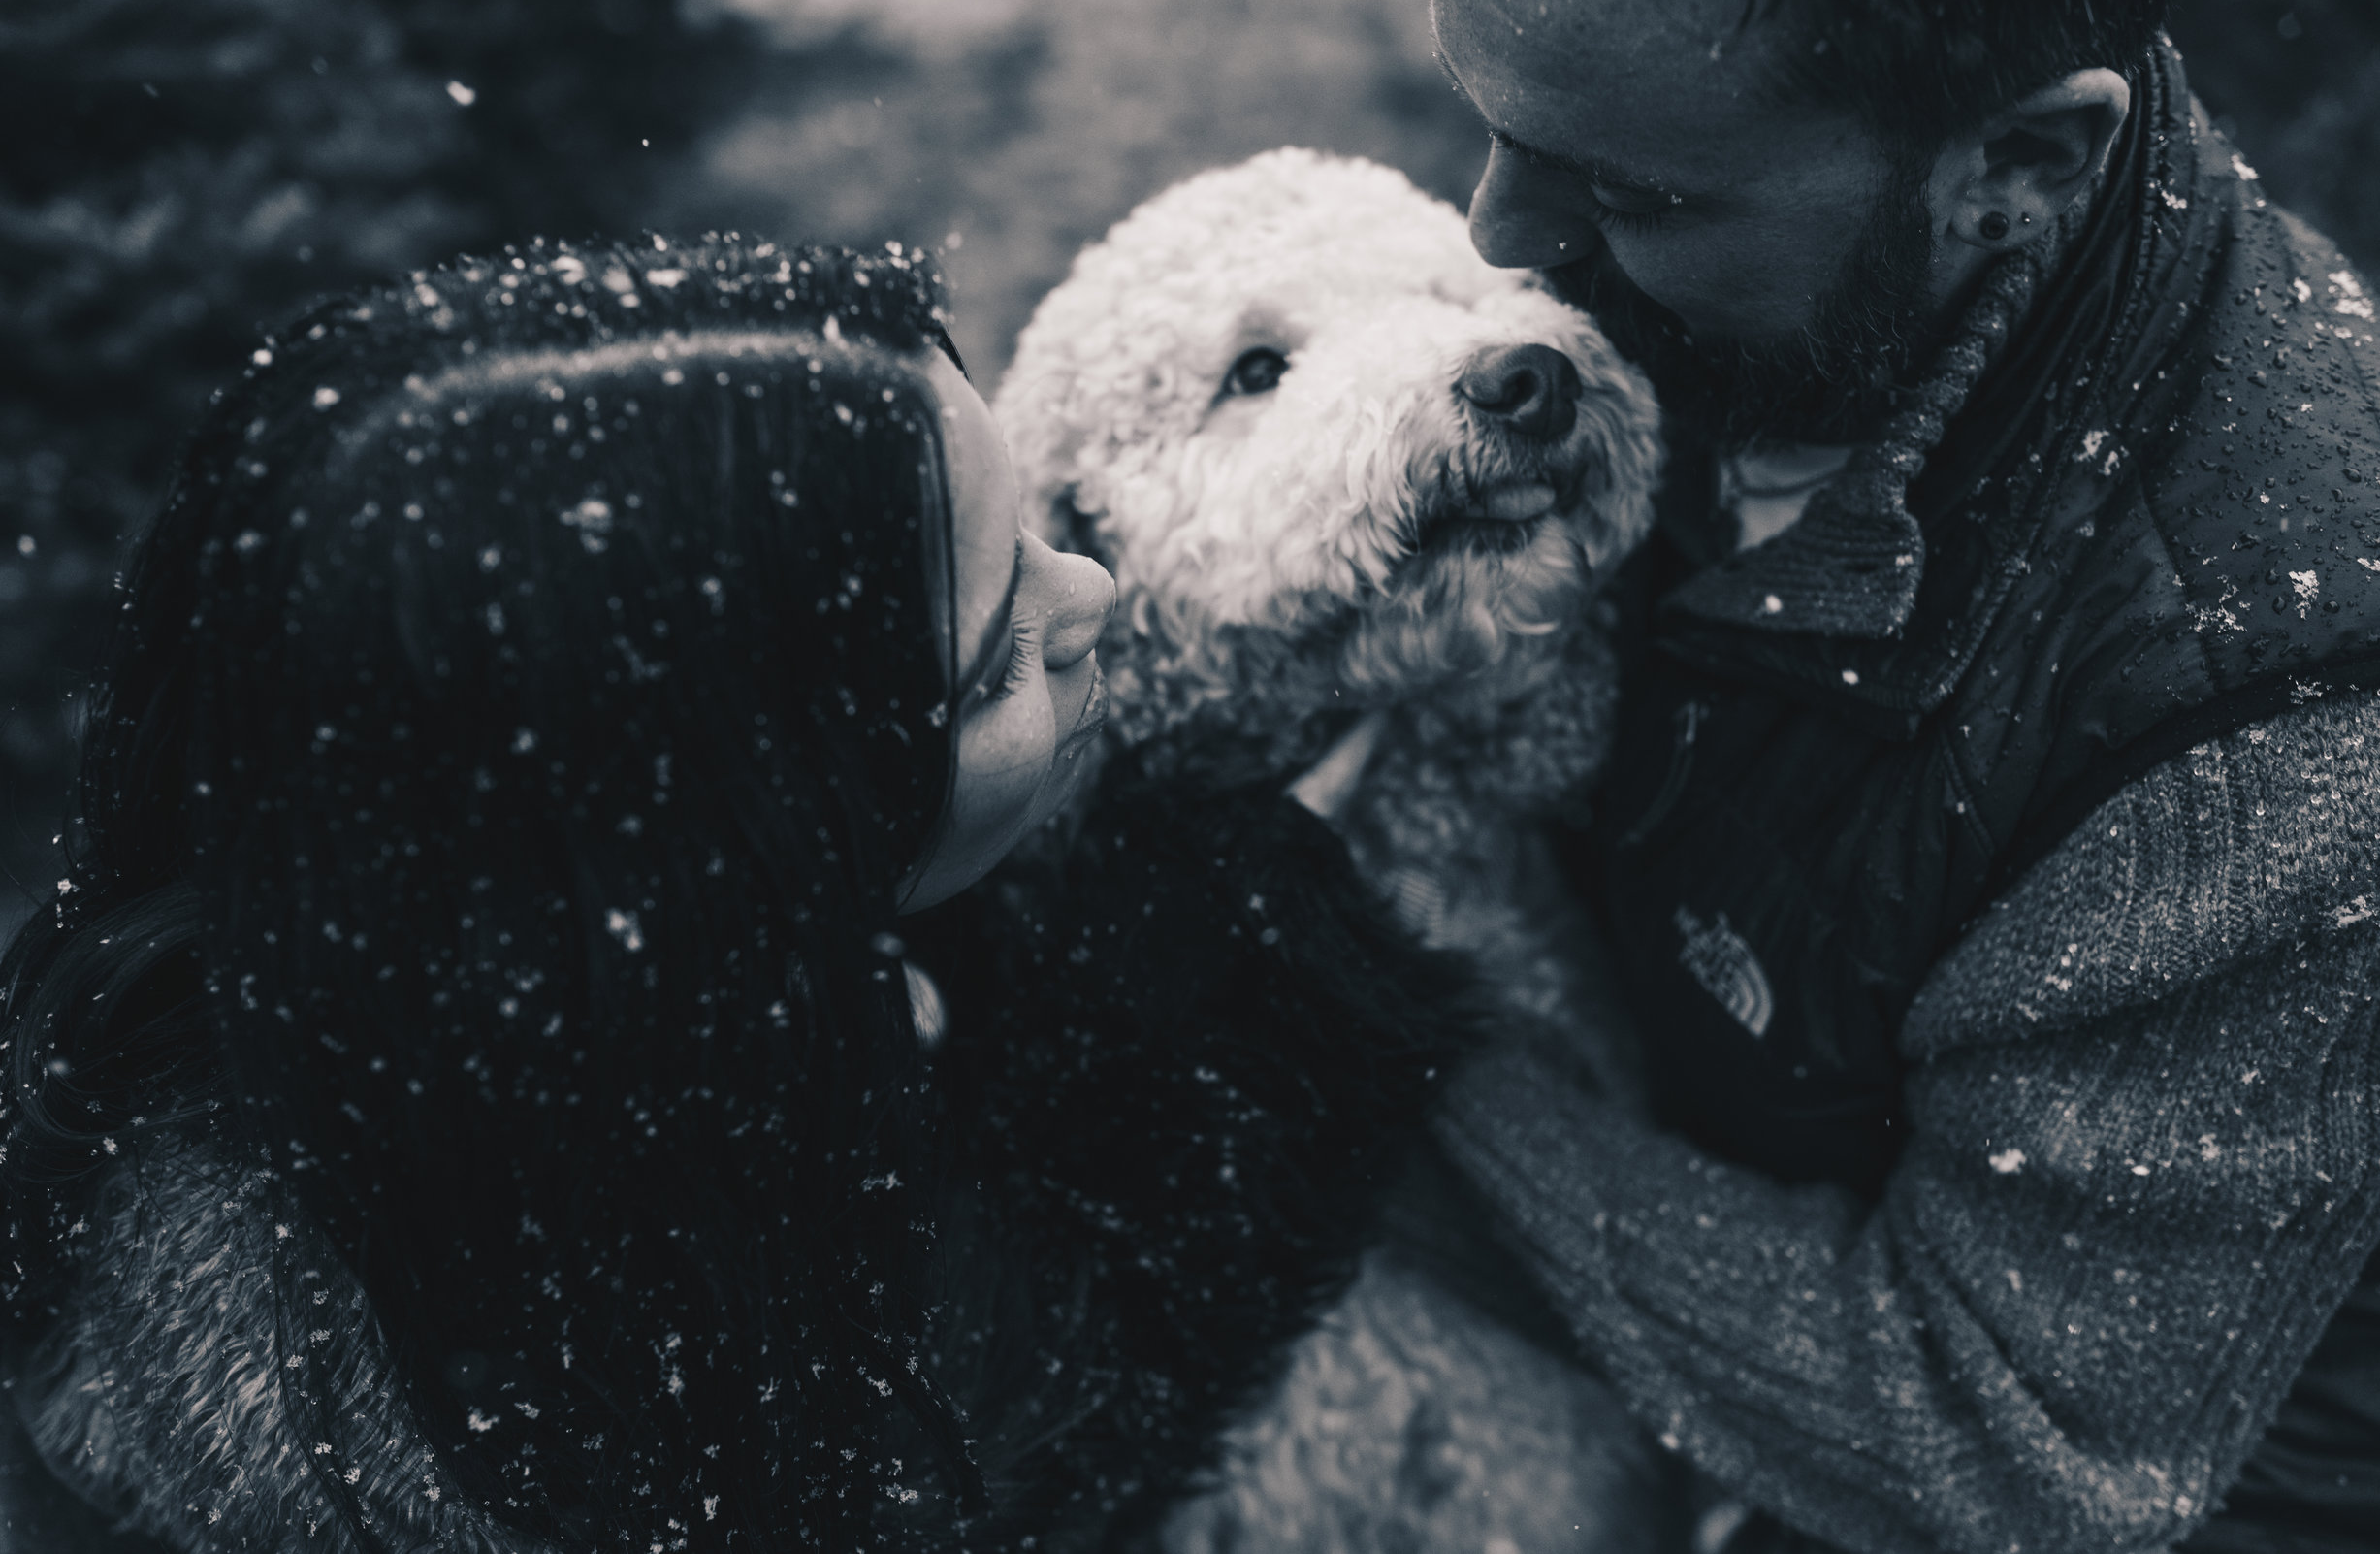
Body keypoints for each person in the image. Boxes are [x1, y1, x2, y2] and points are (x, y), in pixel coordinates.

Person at [0, 238, 1476, 1551]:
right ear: (728, 859)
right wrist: (1261, 1026)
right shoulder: (508, 1437)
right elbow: (1022, 1450)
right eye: (992, 663)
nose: (1089, 591)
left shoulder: (498, 992)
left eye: (1033, 525)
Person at [1419, 0, 2380, 1551]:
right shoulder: (1742, 234)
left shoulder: (2287, 740)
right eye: (1479, 113)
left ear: (2016, 168)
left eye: (1633, 196)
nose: (1496, 240)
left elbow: (2000, 1443)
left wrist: (1397, 1053)